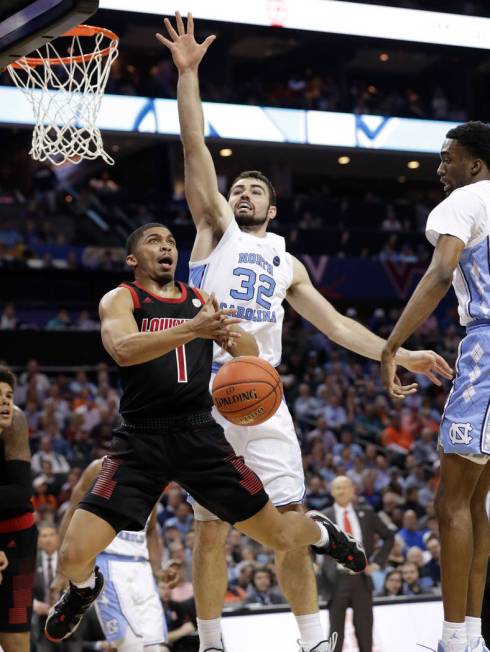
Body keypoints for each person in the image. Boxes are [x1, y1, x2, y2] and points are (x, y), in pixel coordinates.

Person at [156, 12, 453, 652]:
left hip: (263, 396)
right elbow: (194, 150)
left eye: (256, 189)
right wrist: (187, 77)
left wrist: (399, 350)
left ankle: (314, 642)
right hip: (205, 394)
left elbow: (339, 324)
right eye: (237, 187)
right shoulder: (213, 231)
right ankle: (211, 645)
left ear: (274, 206)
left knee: (286, 522)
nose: (243, 193)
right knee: (210, 531)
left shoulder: (288, 261)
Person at [44, 222, 368, 646]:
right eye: (154, 241)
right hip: (139, 442)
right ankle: (85, 590)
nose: (166, 247)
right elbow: (123, 349)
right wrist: (195, 329)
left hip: (199, 435)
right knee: (71, 557)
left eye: (171, 242)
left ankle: (323, 532)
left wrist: (237, 344)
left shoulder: (201, 300)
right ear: (132, 260)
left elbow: (247, 353)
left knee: (285, 534)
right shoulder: (122, 298)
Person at [381, 121, 490, 652]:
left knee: (450, 502)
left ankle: (452, 640)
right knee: (475, 501)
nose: (439, 166)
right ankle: (471, 636)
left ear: (475, 164)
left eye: (448, 157)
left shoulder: (465, 201)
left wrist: (392, 344)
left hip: (487, 348)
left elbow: (441, 271)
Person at [50, 458, 167, 652]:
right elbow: (71, 514)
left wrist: (158, 570)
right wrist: (62, 572)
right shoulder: (100, 467)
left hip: (141, 567)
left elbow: (152, 529)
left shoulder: (154, 476)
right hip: (109, 563)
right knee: (130, 645)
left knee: (156, 646)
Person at [320, 476, 394, 652]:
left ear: (353, 490)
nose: (342, 491)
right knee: (335, 632)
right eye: (337, 487)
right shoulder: (323, 517)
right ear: (332, 492)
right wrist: (313, 567)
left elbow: (389, 537)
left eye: (345, 487)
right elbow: (309, 544)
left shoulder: (367, 513)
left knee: (365, 630)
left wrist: (377, 563)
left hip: (361, 579)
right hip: (335, 581)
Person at [0, 366, 38, 652]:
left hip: (19, 538)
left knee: (16, 634)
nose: (5, 402)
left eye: (9, 395)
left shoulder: (16, 421)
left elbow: (21, 491)